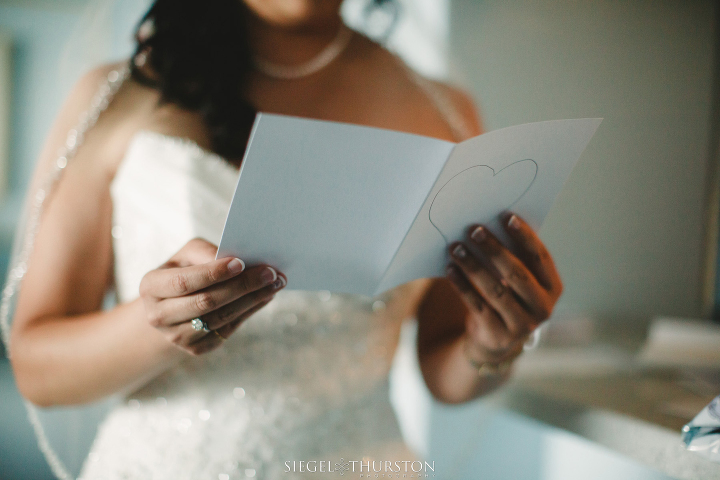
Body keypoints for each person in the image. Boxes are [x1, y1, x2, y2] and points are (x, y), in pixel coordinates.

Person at [5, 0, 563, 478]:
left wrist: (491, 348)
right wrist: (153, 326)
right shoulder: (116, 95)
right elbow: (35, 368)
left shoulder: (444, 111)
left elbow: (444, 366)